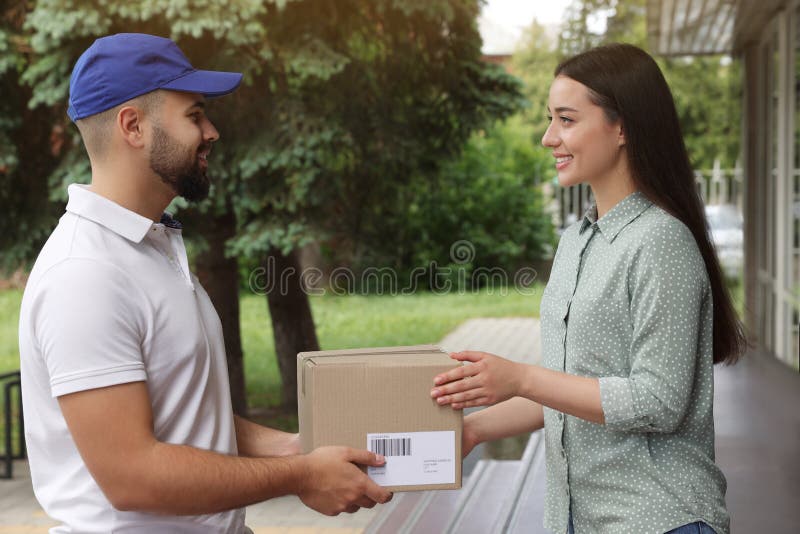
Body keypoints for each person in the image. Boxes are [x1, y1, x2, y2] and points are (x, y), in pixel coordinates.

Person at [18, 33, 391, 533]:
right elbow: (133, 477)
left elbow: (184, 413)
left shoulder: (151, 245)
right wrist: (299, 474)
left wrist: (294, 447)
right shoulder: (85, 274)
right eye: (194, 115)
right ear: (133, 126)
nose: (211, 131)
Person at [431, 43, 746, 534]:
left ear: (622, 127)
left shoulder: (661, 240)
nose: (547, 137)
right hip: (581, 519)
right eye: (550, 119)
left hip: (658, 520)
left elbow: (658, 403)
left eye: (566, 120)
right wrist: (472, 430)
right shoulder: (577, 241)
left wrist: (520, 377)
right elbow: (569, 389)